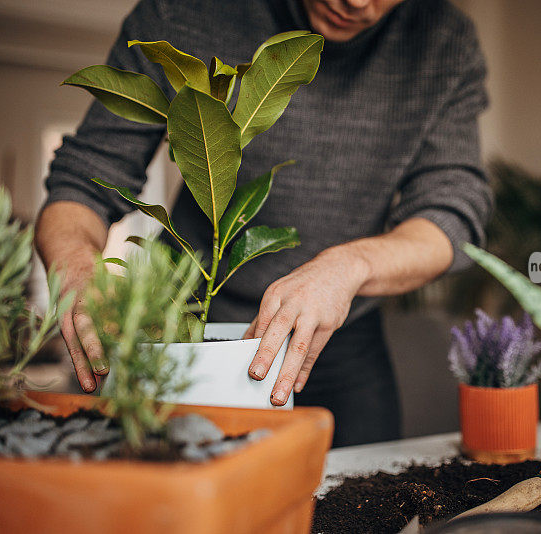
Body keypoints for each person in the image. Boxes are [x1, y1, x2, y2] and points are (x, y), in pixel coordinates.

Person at [36, 0, 492, 447]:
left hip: (339, 346)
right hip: (178, 334)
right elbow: (83, 183)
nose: (356, 2)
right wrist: (76, 267)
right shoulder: (182, 12)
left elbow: (451, 212)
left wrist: (350, 265)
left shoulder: (443, 41)